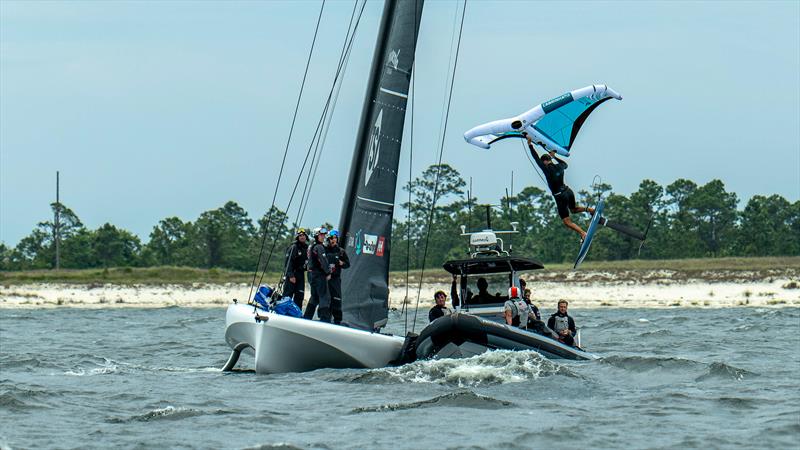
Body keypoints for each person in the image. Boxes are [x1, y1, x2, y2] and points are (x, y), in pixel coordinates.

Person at [526, 134, 594, 240]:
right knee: (574, 209)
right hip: (568, 191)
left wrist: (530, 144)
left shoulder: (546, 169)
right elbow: (565, 164)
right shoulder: (559, 166)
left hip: (560, 196)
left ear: (544, 162)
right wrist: (554, 156)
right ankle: (590, 209)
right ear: (550, 159)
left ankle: (583, 233)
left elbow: (535, 157)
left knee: (567, 221)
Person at [302, 227, 333, 322]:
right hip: (318, 275)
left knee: (314, 297)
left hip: (311, 274)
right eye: (321, 235)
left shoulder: (311, 246)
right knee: (324, 297)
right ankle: (325, 320)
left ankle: (307, 318)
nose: (323, 237)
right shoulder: (319, 247)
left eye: (324, 235)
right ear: (316, 236)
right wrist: (328, 272)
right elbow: (323, 261)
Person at [324, 229, 350, 325]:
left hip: (335, 279)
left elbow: (348, 264)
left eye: (335, 238)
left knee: (337, 299)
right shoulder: (324, 249)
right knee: (326, 300)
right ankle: (325, 319)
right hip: (326, 279)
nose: (333, 240)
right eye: (331, 238)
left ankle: (337, 320)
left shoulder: (341, 251)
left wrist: (341, 263)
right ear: (328, 239)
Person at [282, 228, 309, 310]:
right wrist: (290, 275)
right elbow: (288, 262)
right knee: (287, 296)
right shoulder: (294, 247)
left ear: (306, 237)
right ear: (297, 237)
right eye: (300, 236)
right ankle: (283, 313)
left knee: (299, 296)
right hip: (292, 274)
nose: (302, 237)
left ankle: (297, 314)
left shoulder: (307, 248)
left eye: (303, 235)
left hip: (301, 275)